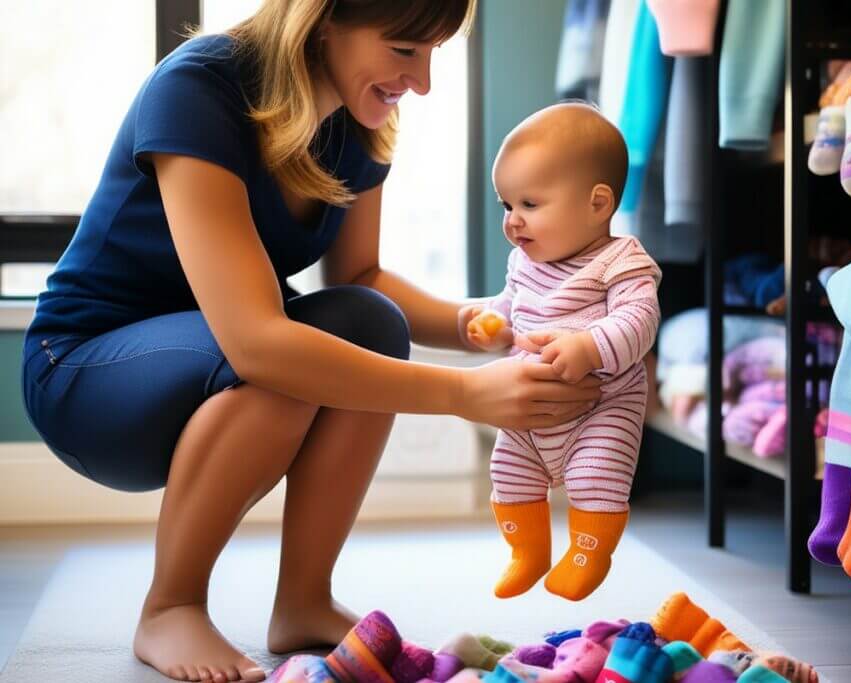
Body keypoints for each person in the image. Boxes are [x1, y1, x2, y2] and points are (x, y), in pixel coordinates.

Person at [20, 2, 602, 681]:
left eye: (433, 53)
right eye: (405, 50)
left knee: (370, 321)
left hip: (219, 355)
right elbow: (257, 344)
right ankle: (170, 605)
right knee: (280, 361)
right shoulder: (197, 88)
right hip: (84, 369)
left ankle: (303, 600)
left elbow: (361, 278)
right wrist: (464, 394)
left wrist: (499, 325)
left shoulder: (359, 119)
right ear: (324, 18)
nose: (422, 83)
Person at [460, 103, 662, 602]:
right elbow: (511, 305)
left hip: (601, 406)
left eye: (529, 204)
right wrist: (493, 323)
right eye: (506, 205)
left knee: (596, 476)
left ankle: (588, 553)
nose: (512, 221)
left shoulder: (621, 260)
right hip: (531, 407)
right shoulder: (523, 262)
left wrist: (590, 346)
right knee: (508, 471)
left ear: (598, 204)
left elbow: (640, 320)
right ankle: (526, 552)